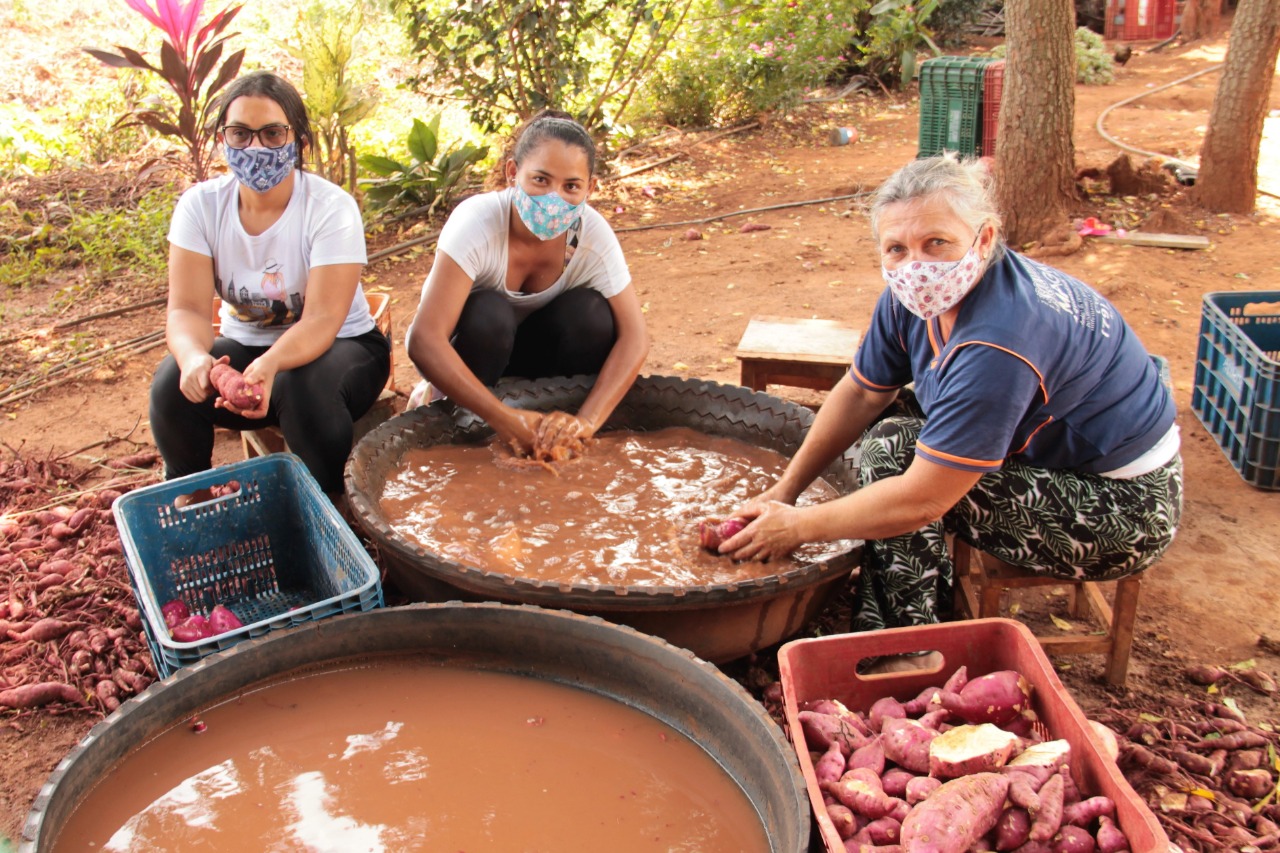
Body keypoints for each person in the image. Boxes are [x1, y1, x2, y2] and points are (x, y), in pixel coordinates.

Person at [720, 154, 1182, 663]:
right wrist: (784, 491)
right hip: (1050, 451)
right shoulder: (911, 297)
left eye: (936, 243)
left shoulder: (1000, 342)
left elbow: (919, 500)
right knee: (891, 432)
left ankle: (910, 646)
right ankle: (902, 606)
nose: (915, 264)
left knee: (894, 460)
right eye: (896, 248)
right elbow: (860, 393)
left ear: (983, 238)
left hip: (1123, 509)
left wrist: (800, 526)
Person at [149, 71, 391, 497]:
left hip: (343, 347)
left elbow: (322, 318)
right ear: (222, 139)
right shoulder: (201, 207)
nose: (255, 147)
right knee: (171, 384)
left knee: (303, 389)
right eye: (240, 133)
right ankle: (193, 504)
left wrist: (271, 365)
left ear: (299, 141)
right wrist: (192, 359)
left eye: (273, 134)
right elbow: (186, 309)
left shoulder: (330, 208)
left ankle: (331, 510)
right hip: (245, 346)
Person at [405, 110, 648, 457]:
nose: (554, 198)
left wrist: (587, 422)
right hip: (476, 359)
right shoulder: (477, 223)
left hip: (539, 361)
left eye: (571, 186)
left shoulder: (592, 235)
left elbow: (636, 337)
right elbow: (424, 340)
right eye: (540, 180)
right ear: (512, 173)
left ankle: (556, 421)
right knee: (490, 313)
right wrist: (505, 420)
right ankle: (463, 424)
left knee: (591, 314)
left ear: (590, 188)